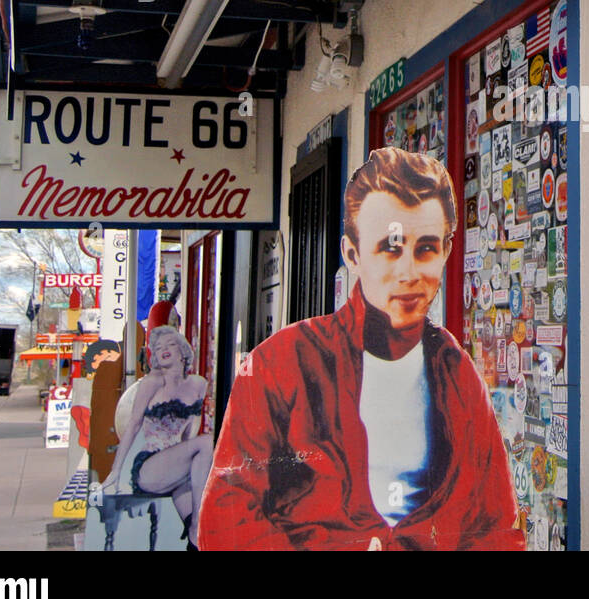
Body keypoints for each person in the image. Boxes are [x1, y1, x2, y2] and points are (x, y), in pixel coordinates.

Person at [198, 147, 523, 550]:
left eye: (425, 248)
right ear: (352, 254)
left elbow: (497, 528)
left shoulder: (456, 370)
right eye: (390, 247)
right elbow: (224, 521)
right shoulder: (279, 363)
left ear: (446, 253)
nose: (408, 272)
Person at [103, 326, 211, 550]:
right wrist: (116, 471)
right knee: (207, 441)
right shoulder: (151, 383)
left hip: (178, 467)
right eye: (158, 347)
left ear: (183, 351)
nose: (163, 350)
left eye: (170, 344)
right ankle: (196, 526)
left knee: (198, 527)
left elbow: (190, 430)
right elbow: (132, 425)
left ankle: (195, 534)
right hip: (150, 467)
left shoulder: (199, 384)